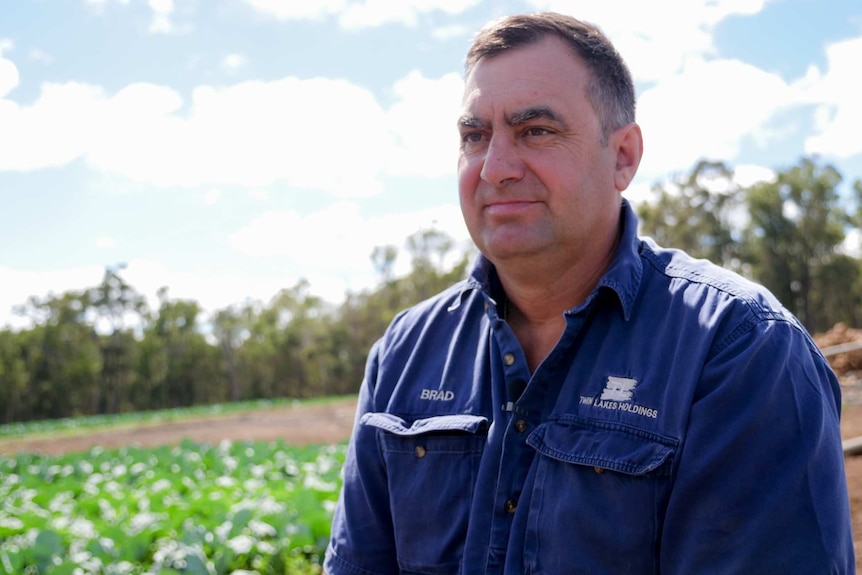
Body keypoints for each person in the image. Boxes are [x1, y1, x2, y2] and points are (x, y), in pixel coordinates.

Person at [323, 11, 855, 575]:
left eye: (537, 131)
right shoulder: (405, 353)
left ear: (623, 156)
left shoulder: (739, 350)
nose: (495, 167)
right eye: (475, 136)